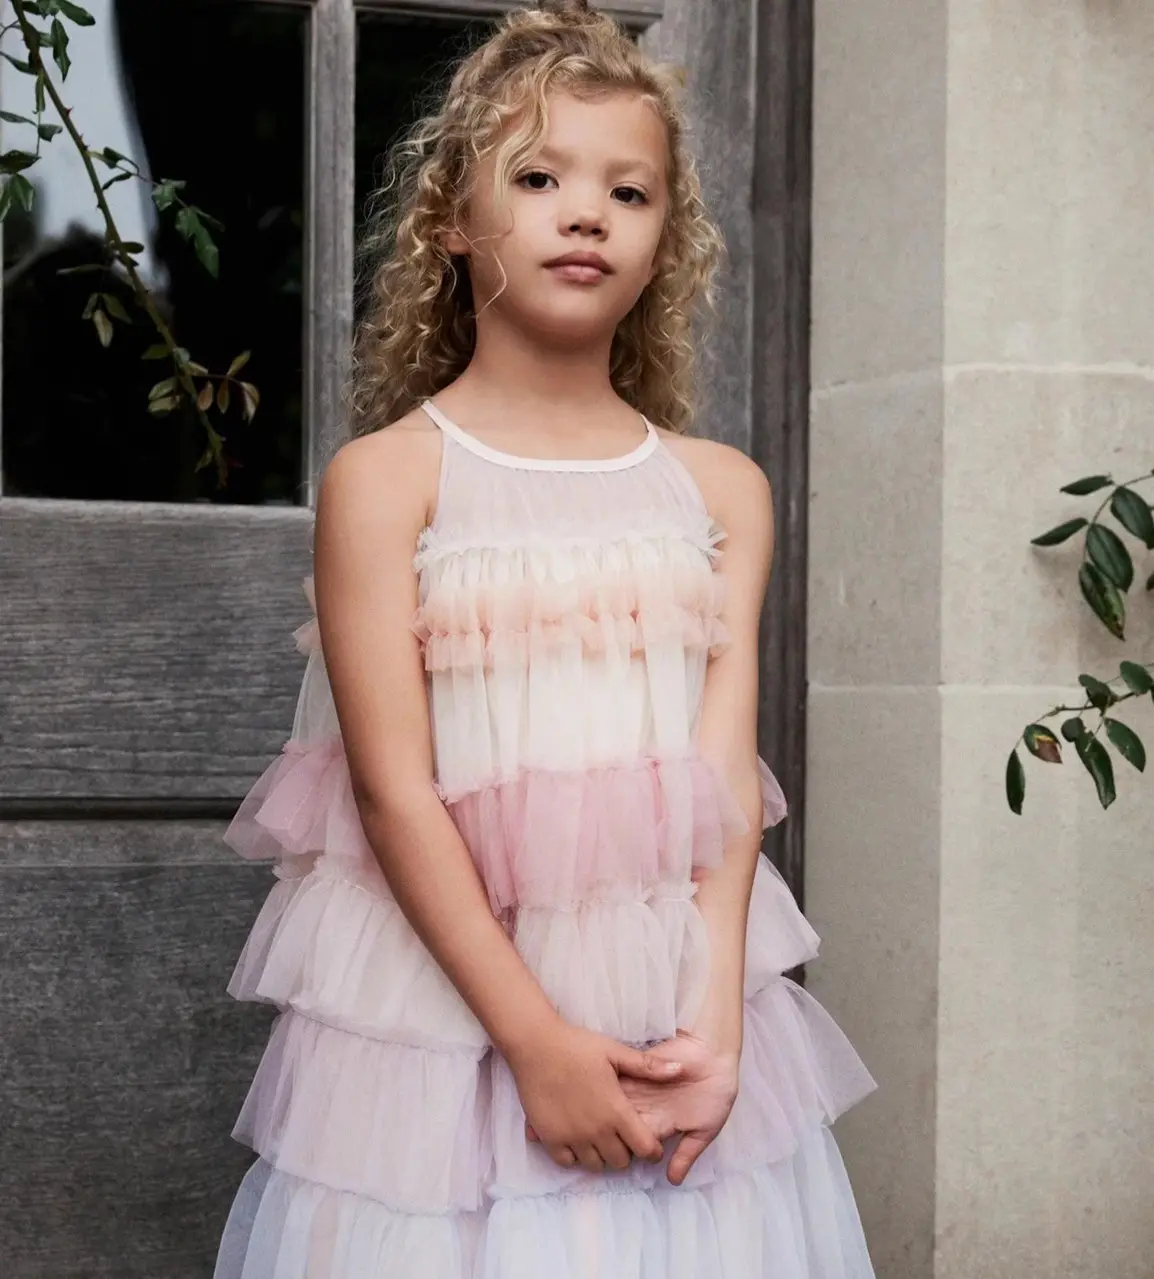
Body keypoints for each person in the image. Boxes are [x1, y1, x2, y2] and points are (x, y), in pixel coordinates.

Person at [212, 2, 877, 1274]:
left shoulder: (719, 488)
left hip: (668, 1002)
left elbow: (723, 787)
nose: (585, 213)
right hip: (449, 1024)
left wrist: (717, 1033)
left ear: (663, 237)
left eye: (627, 191)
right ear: (452, 222)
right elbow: (391, 790)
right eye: (537, 176)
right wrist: (534, 1045)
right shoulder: (390, 480)